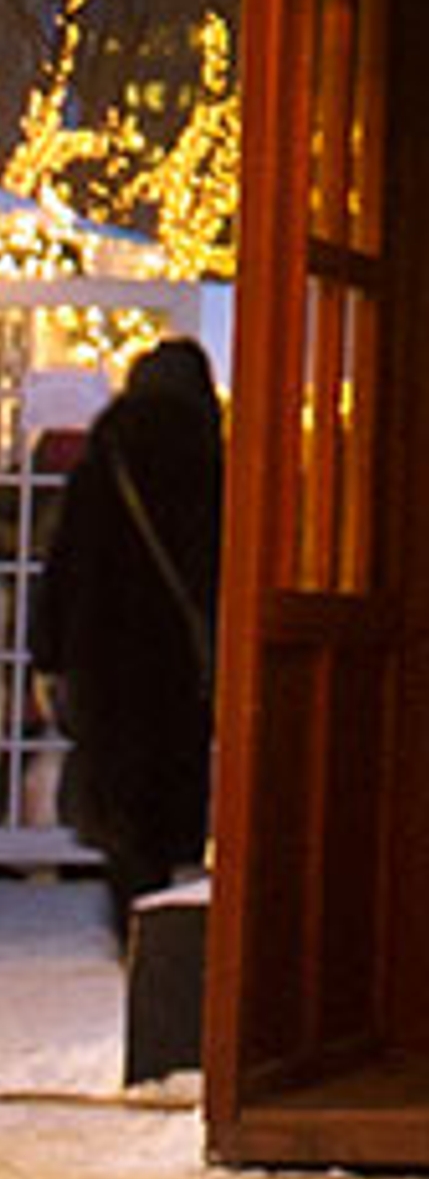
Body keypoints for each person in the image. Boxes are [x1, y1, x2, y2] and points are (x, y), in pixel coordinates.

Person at [33, 330, 224, 938]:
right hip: (177, 668)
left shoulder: (103, 465)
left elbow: (62, 566)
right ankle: (162, 922)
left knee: (121, 811)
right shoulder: (211, 468)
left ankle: (133, 924)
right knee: (170, 799)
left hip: (104, 666)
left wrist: (47, 656)